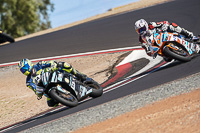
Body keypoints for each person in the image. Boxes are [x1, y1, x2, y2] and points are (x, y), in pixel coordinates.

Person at [18, 59, 89, 107]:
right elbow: (35, 90)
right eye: (22, 70)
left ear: (29, 64)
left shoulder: (39, 65)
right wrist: (39, 93)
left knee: (64, 64)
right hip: (46, 88)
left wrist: (52, 66)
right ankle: (65, 97)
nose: (24, 71)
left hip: (54, 76)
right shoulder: (28, 81)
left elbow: (52, 63)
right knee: (51, 104)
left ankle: (79, 75)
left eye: (24, 68)